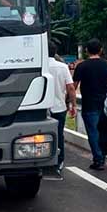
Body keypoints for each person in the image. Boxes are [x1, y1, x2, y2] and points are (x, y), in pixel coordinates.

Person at [72, 39, 107, 170]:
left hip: (89, 104)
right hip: (106, 105)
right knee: (105, 132)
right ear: (101, 50)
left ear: (86, 51)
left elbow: (74, 86)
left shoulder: (82, 66)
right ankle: (103, 154)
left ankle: (98, 158)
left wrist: (70, 101)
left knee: (93, 133)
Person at [45, 42, 76, 180]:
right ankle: (58, 162)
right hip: (59, 107)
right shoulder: (62, 67)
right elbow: (71, 88)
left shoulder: (40, 66)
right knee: (58, 135)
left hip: (42, 108)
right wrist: (73, 105)